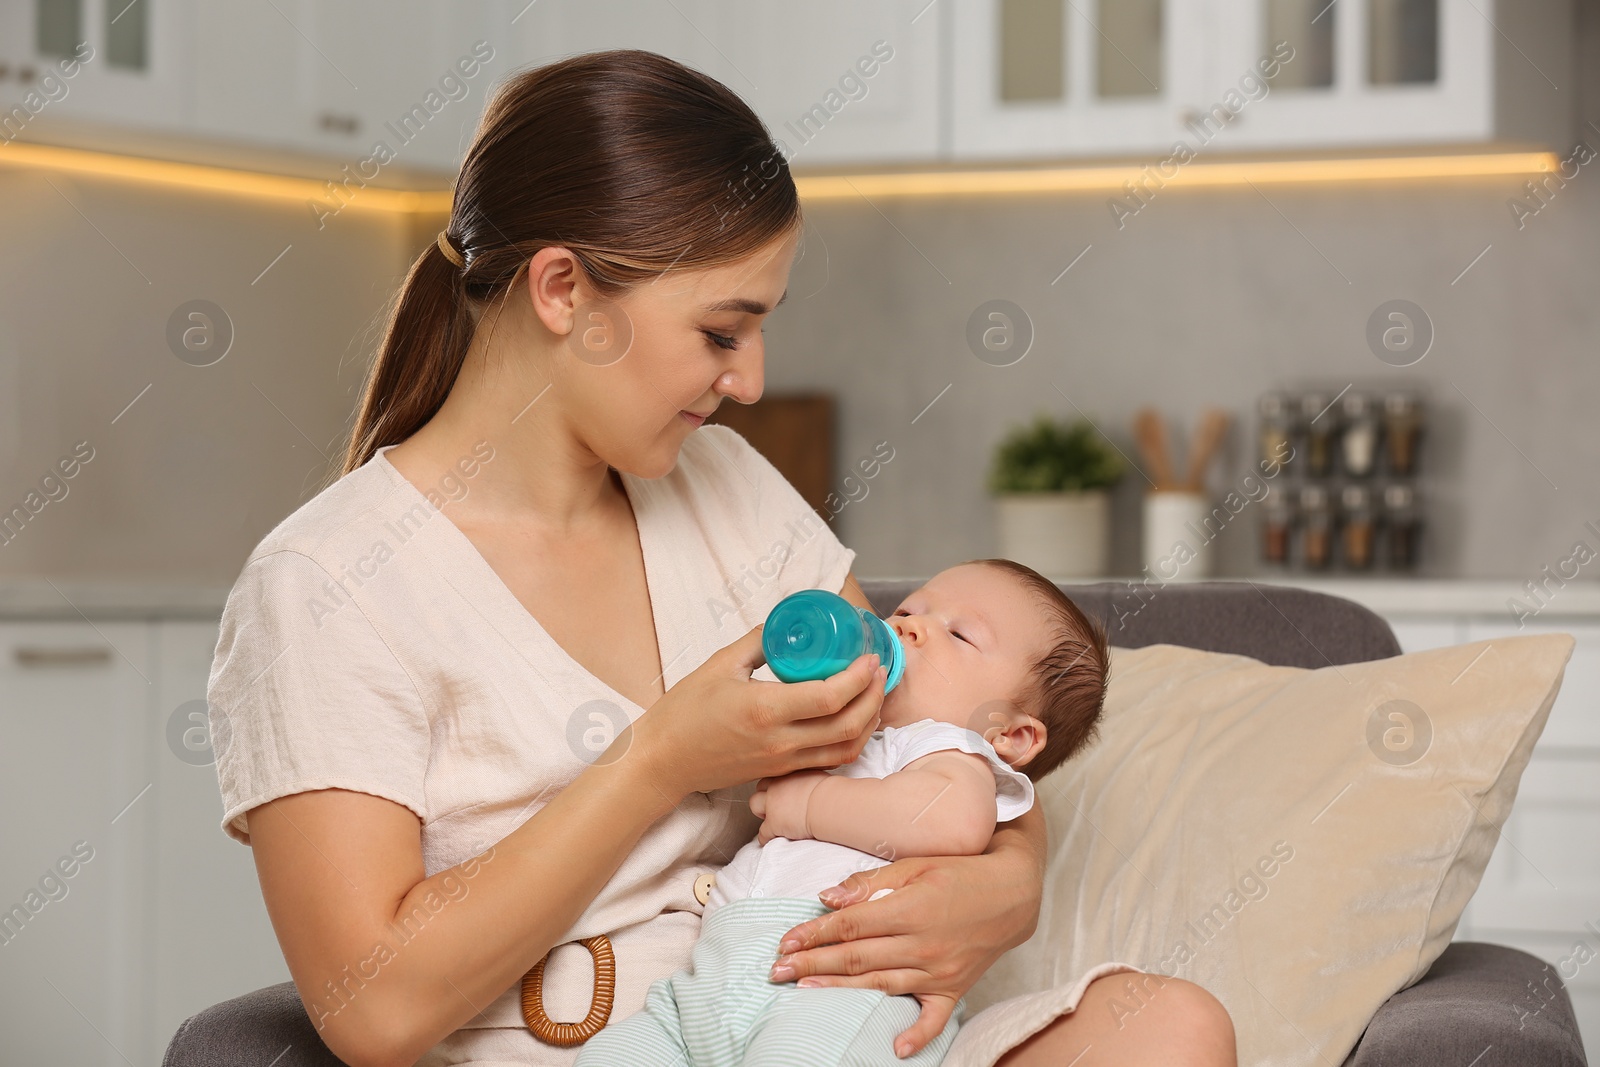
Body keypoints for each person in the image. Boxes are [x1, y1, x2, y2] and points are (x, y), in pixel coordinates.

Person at [207, 49, 1237, 1067]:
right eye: (720, 330)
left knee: (1167, 1024)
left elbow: (921, 729)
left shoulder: (727, 486)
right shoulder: (326, 585)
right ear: (562, 289)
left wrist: (1011, 879)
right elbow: (371, 1009)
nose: (747, 380)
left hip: (827, 1022)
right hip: (601, 1044)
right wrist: (658, 759)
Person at [574, 560, 1114, 1065]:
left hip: (842, 992)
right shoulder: (849, 731)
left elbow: (951, 819)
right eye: (906, 610)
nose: (911, 627)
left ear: (1010, 735)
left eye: (959, 634)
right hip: (708, 980)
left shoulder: (949, 750)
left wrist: (810, 804)